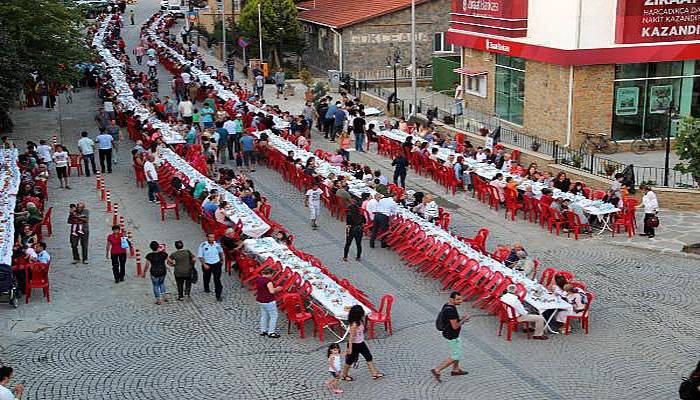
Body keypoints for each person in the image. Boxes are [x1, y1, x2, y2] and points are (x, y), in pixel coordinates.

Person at [431, 291, 470, 382]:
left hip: (450, 333)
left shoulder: (447, 305)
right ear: (451, 299)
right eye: (458, 299)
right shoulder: (451, 310)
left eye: (461, 299)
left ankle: (455, 369)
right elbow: (455, 326)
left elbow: (452, 321)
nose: (460, 301)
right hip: (451, 335)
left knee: (458, 351)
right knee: (456, 355)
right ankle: (437, 370)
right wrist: (464, 320)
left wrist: (460, 319)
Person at [339, 305, 384, 381]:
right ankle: (344, 375)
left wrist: (350, 308)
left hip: (361, 343)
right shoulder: (354, 325)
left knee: (368, 357)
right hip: (354, 345)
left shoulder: (359, 320)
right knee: (349, 361)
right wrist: (349, 349)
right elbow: (350, 338)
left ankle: (374, 373)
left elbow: (352, 310)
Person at [197, 233, 225, 301]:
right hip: (207, 264)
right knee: (207, 277)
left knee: (217, 280)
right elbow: (200, 256)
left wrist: (222, 260)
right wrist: (204, 264)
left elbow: (221, 252)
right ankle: (206, 287)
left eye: (213, 237)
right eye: (210, 237)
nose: (212, 239)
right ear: (207, 238)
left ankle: (218, 295)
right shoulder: (203, 245)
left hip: (216, 264)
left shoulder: (217, 245)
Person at [143, 241, 168, 305]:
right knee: (162, 283)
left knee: (155, 285)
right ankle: (164, 297)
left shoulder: (149, 255)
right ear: (158, 247)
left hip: (154, 272)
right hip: (162, 271)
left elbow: (147, 265)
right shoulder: (163, 254)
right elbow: (169, 260)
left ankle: (158, 300)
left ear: (151, 247)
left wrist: (144, 272)